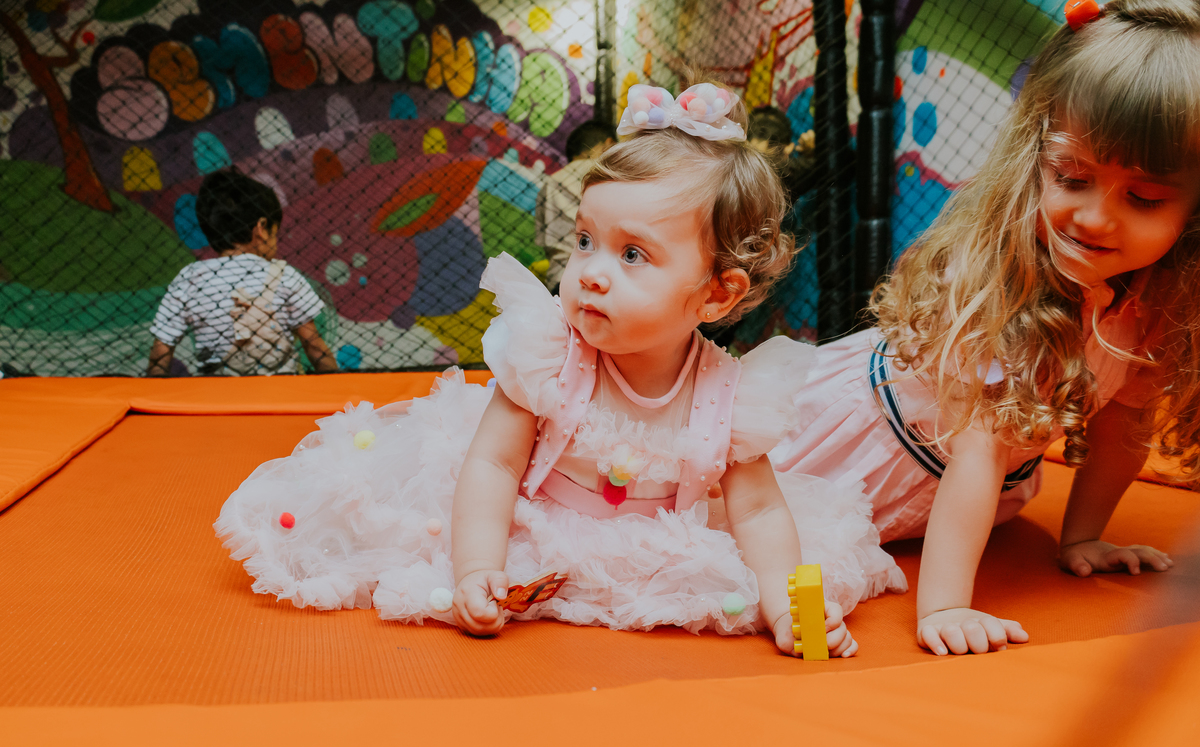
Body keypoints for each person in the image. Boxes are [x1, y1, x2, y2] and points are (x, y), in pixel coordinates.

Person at [215, 81, 907, 656]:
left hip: (656, 548)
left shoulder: (729, 394)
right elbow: (492, 467)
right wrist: (478, 568)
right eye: (585, 241)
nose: (591, 275)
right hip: (532, 525)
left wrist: (787, 605)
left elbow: (755, 507)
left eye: (632, 254)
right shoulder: (551, 355)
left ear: (717, 293)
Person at [773, 0, 1199, 657]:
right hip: (851, 452)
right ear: (1037, 157)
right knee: (722, 528)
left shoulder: (1153, 305)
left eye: (1143, 198)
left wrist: (1082, 538)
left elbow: (1124, 429)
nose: (1093, 218)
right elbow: (978, 451)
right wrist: (945, 607)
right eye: (1071, 178)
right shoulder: (1003, 288)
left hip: (955, 493)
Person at [147, 169, 337, 376]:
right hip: (281, 398)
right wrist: (340, 395)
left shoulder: (190, 279)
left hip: (217, 402)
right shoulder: (284, 275)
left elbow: (161, 352)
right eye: (275, 233)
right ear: (262, 228)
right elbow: (315, 348)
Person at [535, 120, 616, 291]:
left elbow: (544, 241)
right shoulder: (611, 174)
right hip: (603, 278)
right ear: (609, 144)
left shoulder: (550, 182)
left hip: (560, 279)